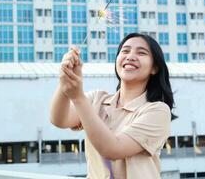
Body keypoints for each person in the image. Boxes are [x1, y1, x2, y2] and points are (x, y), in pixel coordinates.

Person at [50, 33, 176, 179]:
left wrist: (78, 97)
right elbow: (59, 120)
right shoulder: (97, 99)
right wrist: (66, 77)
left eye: (141, 52)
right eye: (125, 51)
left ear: (154, 68)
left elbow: (113, 149)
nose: (130, 56)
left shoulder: (157, 111)